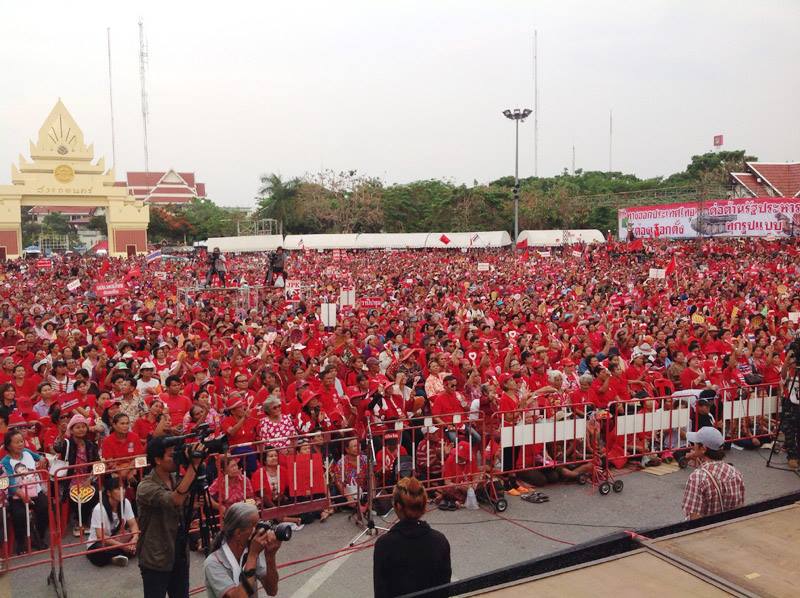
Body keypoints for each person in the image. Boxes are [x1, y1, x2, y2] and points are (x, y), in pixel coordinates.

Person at [136, 435, 206, 598]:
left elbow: (183, 505)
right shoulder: (145, 486)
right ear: (157, 460)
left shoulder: (176, 479)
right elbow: (175, 500)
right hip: (156, 556)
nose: (176, 458)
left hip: (179, 552)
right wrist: (193, 467)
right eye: (171, 455)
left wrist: (193, 504)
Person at [373, 477, 451, 598]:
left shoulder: (384, 545)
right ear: (423, 506)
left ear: (398, 506)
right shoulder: (440, 541)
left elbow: (381, 592)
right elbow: (445, 587)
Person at [203, 502, 281, 598]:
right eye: (255, 526)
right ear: (238, 533)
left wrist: (270, 556)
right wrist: (252, 555)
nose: (260, 530)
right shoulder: (213, 563)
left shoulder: (249, 551)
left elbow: (272, 590)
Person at [681, 426, 745, 520]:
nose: (693, 445)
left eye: (695, 443)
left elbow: (694, 518)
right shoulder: (735, 473)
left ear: (703, 448)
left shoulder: (697, 478)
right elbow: (740, 509)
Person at [86, 474, 140, 567]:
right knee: (97, 553)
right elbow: (100, 536)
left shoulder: (126, 502)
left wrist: (134, 539)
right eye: (118, 489)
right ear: (108, 493)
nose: (122, 491)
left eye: (123, 488)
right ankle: (117, 555)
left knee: (142, 537)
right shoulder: (99, 509)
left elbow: (133, 524)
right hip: (101, 542)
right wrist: (122, 546)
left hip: (118, 538)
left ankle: (119, 554)